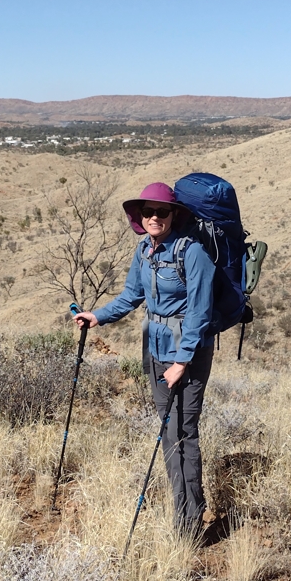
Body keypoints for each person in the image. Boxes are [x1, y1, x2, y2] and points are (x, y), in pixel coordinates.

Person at [73, 182, 215, 539]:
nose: (154, 217)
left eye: (161, 211)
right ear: (140, 215)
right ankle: (184, 510)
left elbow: (200, 312)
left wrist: (182, 362)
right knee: (169, 433)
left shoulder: (192, 253)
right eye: (148, 211)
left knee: (182, 433)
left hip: (185, 355)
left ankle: (189, 524)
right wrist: (98, 316)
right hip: (153, 349)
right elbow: (131, 296)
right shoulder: (145, 251)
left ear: (174, 215)